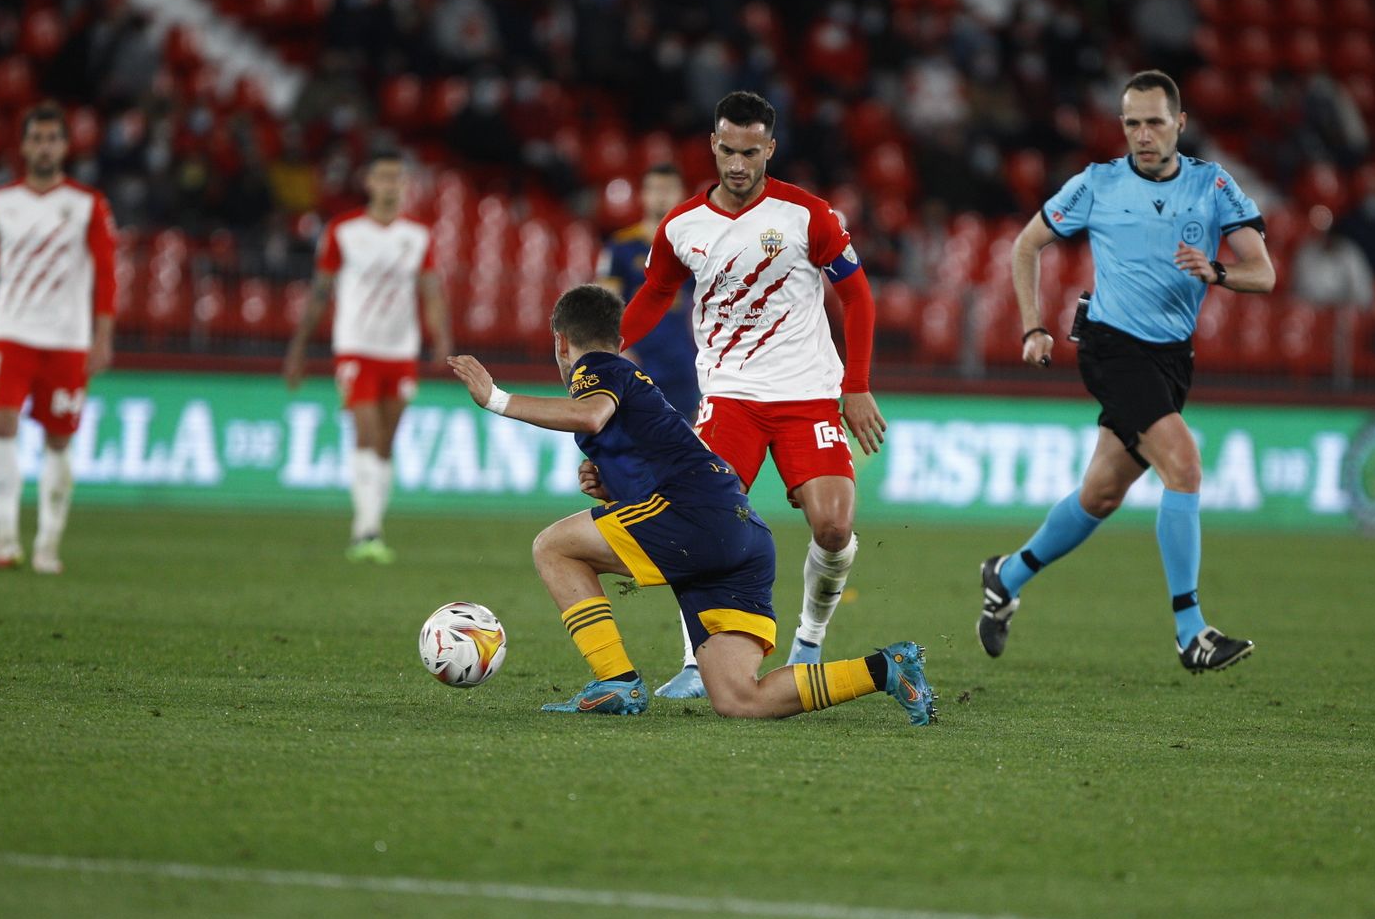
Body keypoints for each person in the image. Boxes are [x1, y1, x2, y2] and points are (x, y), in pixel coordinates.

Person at [447, 284, 935, 725]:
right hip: (742, 535)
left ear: (560, 341)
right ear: (620, 337)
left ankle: (615, 681)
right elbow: (658, 455)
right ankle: (887, 669)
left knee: (554, 547)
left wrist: (496, 399)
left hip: (694, 520)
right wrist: (612, 488)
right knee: (741, 699)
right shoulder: (633, 380)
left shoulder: (597, 369)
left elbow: (591, 416)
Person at [977, 70, 1275, 673]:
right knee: (1184, 466)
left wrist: (1216, 273)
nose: (1142, 134)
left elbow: (1263, 273)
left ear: (1180, 124)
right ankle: (1191, 630)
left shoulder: (1212, 185)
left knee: (1102, 494)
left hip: (1172, 358)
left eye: (1155, 122)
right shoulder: (1097, 185)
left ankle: (1005, 576)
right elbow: (1025, 246)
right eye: (1132, 122)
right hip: (1112, 347)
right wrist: (1034, 325)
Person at [619, 91, 886, 699]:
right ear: (713, 145)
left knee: (833, 526)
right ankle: (694, 662)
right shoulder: (682, 225)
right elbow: (656, 295)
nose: (737, 165)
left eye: (750, 152)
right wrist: (607, 348)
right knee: (701, 521)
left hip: (808, 394)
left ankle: (809, 641)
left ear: (769, 147)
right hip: (730, 395)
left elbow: (859, 297)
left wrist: (858, 384)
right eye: (727, 151)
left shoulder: (807, 215)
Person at [0, 102, 119, 574]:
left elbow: (106, 273)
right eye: (37, 138)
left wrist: (103, 335)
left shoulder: (88, 204)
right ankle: (5, 538)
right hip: (12, 333)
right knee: (3, 425)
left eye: (53, 138)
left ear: (65, 147)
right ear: (24, 146)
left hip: (67, 339)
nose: (45, 146)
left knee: (58, 441)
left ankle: (48, 543)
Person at [284, 150, 451, 564]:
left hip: (401, 351)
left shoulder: (417, 235)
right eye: (383, 177)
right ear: (368, 182)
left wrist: (441, 338)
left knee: (386, 442)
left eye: (397, 178)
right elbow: (321, 291)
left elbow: (430, 291)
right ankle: (366, 531)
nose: (391, 185)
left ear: (404, 185)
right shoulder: (344, 230)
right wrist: (299, 346)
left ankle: (372, 525)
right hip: (356, 347)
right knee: (367, 433)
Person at [596, 163, 700, 422]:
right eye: (654, 189)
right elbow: (605, 303)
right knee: (635, 444)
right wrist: (616, 349)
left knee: (686, 446)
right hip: (637, 358)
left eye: (668, 189)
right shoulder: (621, 246)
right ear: (642, 195)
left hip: (682, 363)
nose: (661, 196)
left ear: (681, 194)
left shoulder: (694, 247)